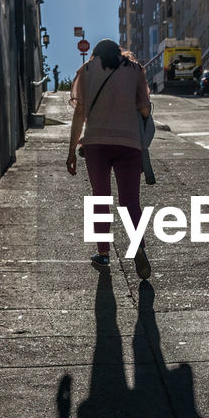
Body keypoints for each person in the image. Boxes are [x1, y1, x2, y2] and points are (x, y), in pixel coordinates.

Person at [66, 38, 153, 277]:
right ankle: (139, 248)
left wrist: (71, 150)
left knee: (100, 199)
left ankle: (103, 254)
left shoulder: (85, 71)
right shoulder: (135, 70)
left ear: (95, 54)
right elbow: (144, 108)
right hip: (129, 143)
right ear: (120, 53)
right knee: (130, 201)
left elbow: (80, 112)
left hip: (96, 144)